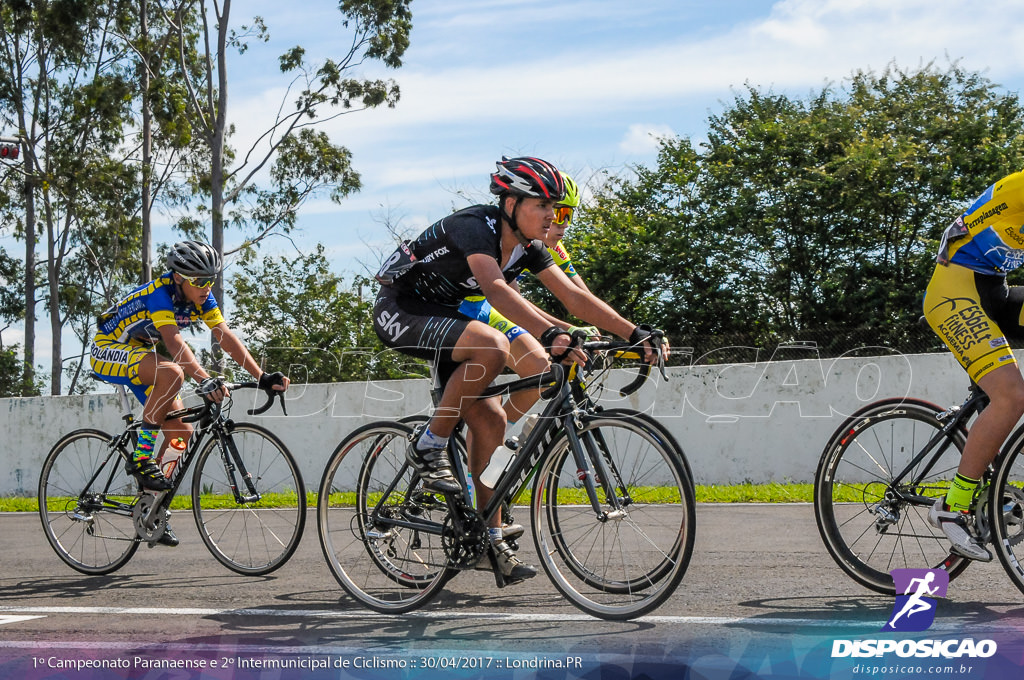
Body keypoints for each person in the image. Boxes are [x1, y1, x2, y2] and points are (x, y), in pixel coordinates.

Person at [373, 156, 667, 585]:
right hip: (404, 309)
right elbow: (493, 291)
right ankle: (429, 444)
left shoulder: (530, 245)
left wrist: (634, 332)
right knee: (492, 345)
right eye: (541, 205)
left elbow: (573, 298)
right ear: (509, 202)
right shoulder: (475, 226)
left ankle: (488, 536)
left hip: (457, 317)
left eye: (554, 207)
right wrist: (550, 333)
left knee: (492, 418)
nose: (551, 215)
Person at [91, 241, 289, 546]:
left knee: (180, 434)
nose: (206, 287)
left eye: (211, 280)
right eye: (199, 281)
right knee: (173, 372)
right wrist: (204, 378)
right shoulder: (160, 293)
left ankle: (151, 511)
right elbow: (173, 343)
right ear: (180, 277)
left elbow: (225, 336)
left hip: (140, 353)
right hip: (107, 348)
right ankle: (141, 457)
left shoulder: (202, 297)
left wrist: (261, 376)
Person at [923, 169, 1024, 561]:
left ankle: (991, 481)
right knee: (1013, 397)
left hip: (991, 289)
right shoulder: (1019, 188)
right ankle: (954, 506)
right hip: (953, 293)